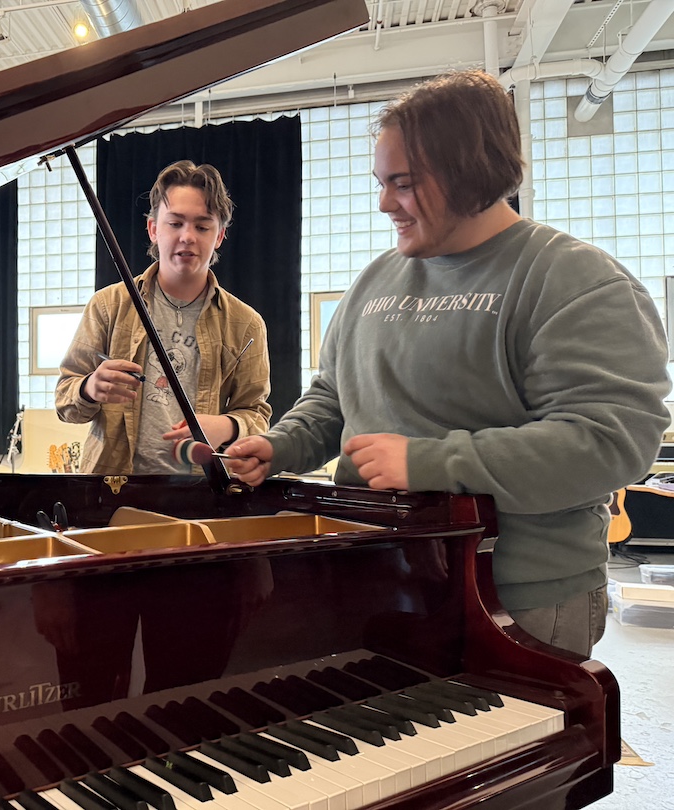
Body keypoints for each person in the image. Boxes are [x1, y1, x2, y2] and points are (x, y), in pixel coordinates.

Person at [225, 69, 670, 658]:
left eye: (402, 183)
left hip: (517, 597)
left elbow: (608, 443)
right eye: (382, 183)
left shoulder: (574, 280)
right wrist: (279, 447)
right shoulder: (374, 281)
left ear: (467, 169)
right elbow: (333, 397)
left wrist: (430, 462)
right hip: (376, 580)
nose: (385, 203)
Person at [55, 160, 271, 475]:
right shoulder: (108, 305)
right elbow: (65, 401)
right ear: (154, 229)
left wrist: (226, 426)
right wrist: (90, 388)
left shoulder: (247, 324)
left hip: (203, 494)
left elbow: (257, 415)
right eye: (175, 223)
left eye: (202, 225)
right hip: (111, 488)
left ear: (220, 235)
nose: (187, 237)